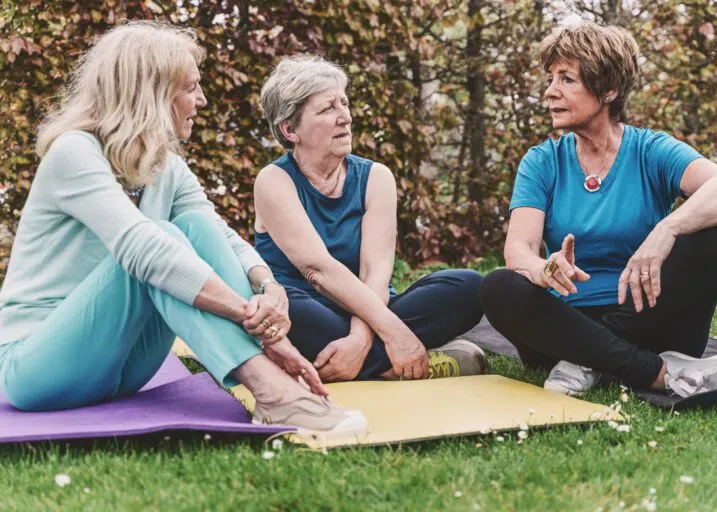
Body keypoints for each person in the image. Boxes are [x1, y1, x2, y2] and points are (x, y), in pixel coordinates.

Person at [0, 22, 367, 438]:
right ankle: (270, 390)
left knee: (190, 225)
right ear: (151, 93)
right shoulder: (75, 152)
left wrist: (268, 287)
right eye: (191, 87)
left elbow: (218, 232)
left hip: (123, 369)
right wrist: (254, 323)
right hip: (39, 368)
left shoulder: (165, 165)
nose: (202, 99)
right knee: (160, 241)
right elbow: (142, 249)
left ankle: (271, 383)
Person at [480, 22, 717, 398]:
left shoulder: (649, 150)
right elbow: (518, 250)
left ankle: (588, 361)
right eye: (550, 79)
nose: (550, 92)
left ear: (608, 89)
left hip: (651, 320)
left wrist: (667, 230)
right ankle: (657, 373)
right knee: (498, 286)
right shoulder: (542, 162)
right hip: (567, 324)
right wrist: (543, 270)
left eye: (566, 79)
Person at [253, 55, 485, 383]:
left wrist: (362, 340)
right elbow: (318, 271)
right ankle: (402, 365)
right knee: (280, 308)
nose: (344, 117)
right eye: (327, 109)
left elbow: (375, 273)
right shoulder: (274, 180)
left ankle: (346, 364)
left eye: (344, 103)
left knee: (468, 286)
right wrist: (393, 334)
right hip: (305, 310)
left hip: (369, 309)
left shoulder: (376, 177)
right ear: (290, 129)